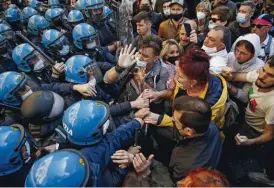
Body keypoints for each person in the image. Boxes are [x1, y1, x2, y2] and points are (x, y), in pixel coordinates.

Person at [24, 100, 150, 186]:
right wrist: (133, 169)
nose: (108, 119)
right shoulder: (89, 161)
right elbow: (112, 141)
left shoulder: (79, 161)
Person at [123, 96, 222, 185]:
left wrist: (146, 171)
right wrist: (159, 119)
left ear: (189, 131)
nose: (171, 121)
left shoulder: (185, 167)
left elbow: (170, 182)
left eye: (174, 122)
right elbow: (180, 133)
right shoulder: (207, 123)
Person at [143, 47, 228, 129]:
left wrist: (160, 119)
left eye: (179, 76)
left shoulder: (209, 105)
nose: (175, 77)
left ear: (193, 82)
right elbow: (174, 94)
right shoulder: (187, 81)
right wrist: (158, 94)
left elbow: (191, 127)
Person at [221, 56, 274, 186]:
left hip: (257, 132)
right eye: (263, 70)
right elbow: (235, 76)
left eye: (270, 75)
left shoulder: (272, 103)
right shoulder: (260, 75)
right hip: (246, 121)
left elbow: (269, 134)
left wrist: (250, 142)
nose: (262, 76)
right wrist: (225, 73)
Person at [104, 36, 169, 114]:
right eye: (140, 53)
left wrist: (143, 83)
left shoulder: (163, 71)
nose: (140, 58)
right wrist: (119, 67)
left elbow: (157, 100)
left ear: (155, 58)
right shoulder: (132, 60)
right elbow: (107, 80)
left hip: (140, 113)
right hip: (123, 102)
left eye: (145, 56)